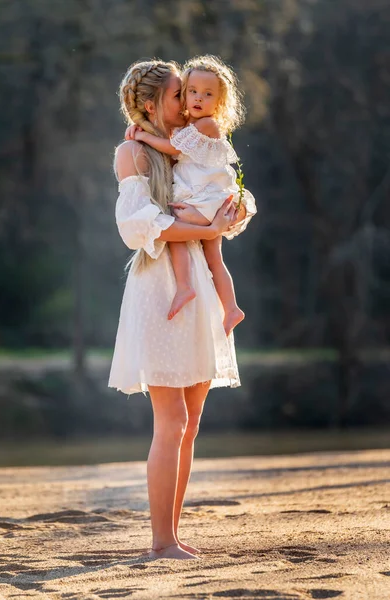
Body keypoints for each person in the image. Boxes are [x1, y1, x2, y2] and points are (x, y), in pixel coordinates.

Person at [108, 59, 256, 560]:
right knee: (169, 421)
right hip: (161, 288)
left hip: (199, 285)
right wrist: (207, 229)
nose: (188, 102)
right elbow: (139, 225)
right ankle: (160, 542)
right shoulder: (134, 153)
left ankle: (173, 532)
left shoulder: (191, 145)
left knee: (191, 424)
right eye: (178, 95)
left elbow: (220, 197)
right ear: (151, 104)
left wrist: (234, 212)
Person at [128, 55, 256, 336]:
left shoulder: (206, 125)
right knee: (214, 257)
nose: (198, 99)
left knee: (174, 223)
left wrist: (144, 137)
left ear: (219, 103)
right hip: (204, 198)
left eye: (208, 94)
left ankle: (185, 286)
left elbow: (173, 148)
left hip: (207, 198)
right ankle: (231, 308)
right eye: (191, 92)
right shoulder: (192, 125)